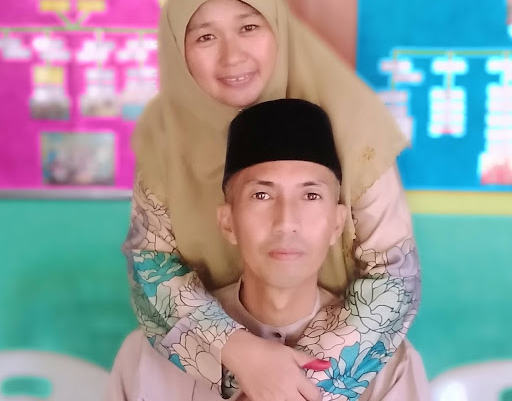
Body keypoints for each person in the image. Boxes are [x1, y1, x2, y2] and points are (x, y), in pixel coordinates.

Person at [124, 0, 420, 400]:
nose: (232, 57)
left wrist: (297, 382)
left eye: (248, 27)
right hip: (206, 362)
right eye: (205, 37)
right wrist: (240, 356)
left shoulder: (350, 121)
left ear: (278, 27)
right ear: (177, 49)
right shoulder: (166, 136)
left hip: (339, 355)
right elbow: (151, 268)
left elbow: (394, 277)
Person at [109, 99, 429, 400]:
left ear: (337, 223)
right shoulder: (147, 358)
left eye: (311, 196)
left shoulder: (387, 365)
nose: (286, 222)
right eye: (261, 195)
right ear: (228, 222)